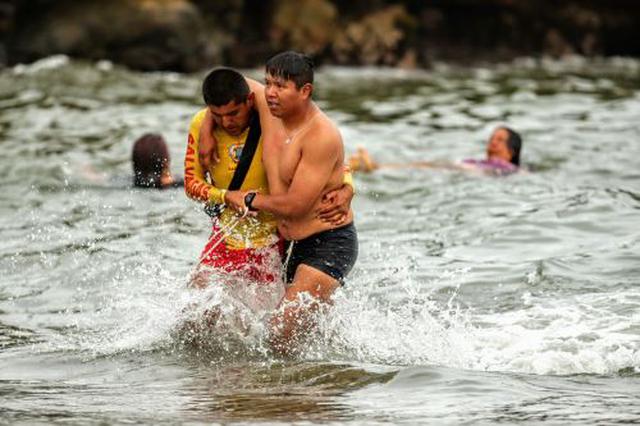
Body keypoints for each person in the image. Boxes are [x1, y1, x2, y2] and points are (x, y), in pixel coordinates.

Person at [203, 52, 358, 354]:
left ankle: (291, 397)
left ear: (305, 91)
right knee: (235, 324)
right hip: (287, 245)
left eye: (280, 86)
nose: (270, 92)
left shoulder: (321, 134)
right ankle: (304, 397)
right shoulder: (266, 106)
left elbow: (296, 205)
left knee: (278, 335)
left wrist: (247, 198)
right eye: (268, 83)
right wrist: (208, 126)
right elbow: (226, 85)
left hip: (328, 243)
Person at [185, 67, 354, 291]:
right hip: (229, 235)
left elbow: (324, 151)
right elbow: (191, 185)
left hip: (275, 241)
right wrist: (226, 197)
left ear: (249, 101)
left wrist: (348, 186)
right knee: (196, 310)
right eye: (217, 116)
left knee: (279, 320)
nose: (226, 123)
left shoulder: (274, 119)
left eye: (234, 114)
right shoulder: (200, 124)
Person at [348, 126, 523, 175]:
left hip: (470, 172)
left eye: (500, 140)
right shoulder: (482, 161)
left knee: (426, 167)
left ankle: (375, 167)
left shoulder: (510, 169)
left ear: (512, 150)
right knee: (425, 164)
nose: (493, 142)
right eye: (492, 138)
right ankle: (376, 167)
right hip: (462, 168)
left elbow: (523, 174)